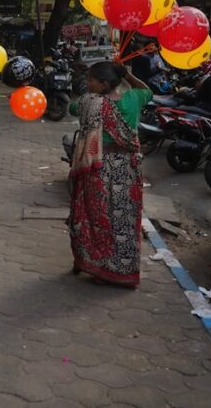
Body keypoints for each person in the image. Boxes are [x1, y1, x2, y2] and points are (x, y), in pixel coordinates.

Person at [68, 62, 151, 288]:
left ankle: (98, 267)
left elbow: (72, 109)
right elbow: (148, 91)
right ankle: (124, 272)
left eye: (92, 80)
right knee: (124, 219)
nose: (88, 83)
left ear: (103, 84)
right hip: (127, 168)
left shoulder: (89, 103)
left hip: (99, 167)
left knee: (96, 218)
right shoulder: (134, 97)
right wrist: (129, 75)